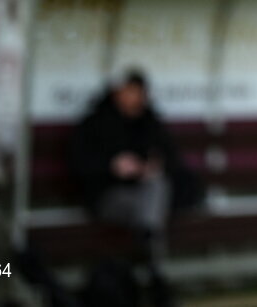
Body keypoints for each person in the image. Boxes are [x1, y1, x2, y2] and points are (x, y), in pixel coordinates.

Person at [70, 69, 200, 305]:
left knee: (156, 185)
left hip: (147, 198)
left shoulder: (150, 123)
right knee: (152, 207)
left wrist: (153, 166)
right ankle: (154, 270)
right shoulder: (96, 123)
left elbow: (172, 159)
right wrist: (112, 166)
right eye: (127, 91)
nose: (132, 97)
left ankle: (148, 247)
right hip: (110, 197)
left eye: (136, 92)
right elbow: (79, 164)